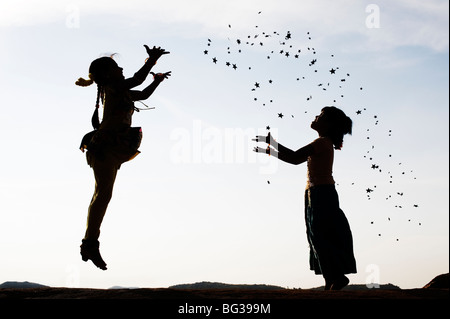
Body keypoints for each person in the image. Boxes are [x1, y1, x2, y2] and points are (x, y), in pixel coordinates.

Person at [75, 45, 171, 270]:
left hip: (111, 147)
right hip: (105, 147)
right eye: (118, 67)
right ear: (108, 74)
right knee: (102, 193)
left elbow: (143, 92)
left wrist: (156, 80)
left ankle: (89, 243)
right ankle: (89, 243)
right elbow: (137, 80)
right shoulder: (113, 86)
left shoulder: (118, 90)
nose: (121, 69)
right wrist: (151, 60)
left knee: (102, 193)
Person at [253, 106, 357, 290]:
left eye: (321, 116)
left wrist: (272, 143)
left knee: (321, 236)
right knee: (316, 237)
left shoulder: (322, 143)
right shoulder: (322, 143)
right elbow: (295, 160)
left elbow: (294, 156)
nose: (316, 117)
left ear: (328, 124)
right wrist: (271, 150)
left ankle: (337, 278)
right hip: (314, 193)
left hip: (321, 193)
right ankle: (330, 281)